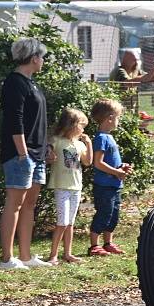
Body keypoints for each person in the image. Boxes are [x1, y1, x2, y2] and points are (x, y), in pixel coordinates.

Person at [0, 37, 54, 270]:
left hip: (37, 154)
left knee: (30, 205)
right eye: (41, 57)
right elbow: (15, 120)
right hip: (20, 154)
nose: (43, 61)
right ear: (33, 58)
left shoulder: (32, 83)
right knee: (15, 203)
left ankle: (25, 256)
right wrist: (23, 153)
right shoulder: (14, 82)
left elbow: (39, 120)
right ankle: (6, 259)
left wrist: (46, 147)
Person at [46, 108, 93, 265]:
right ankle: (53, 255)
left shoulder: (79, 144)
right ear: (72, 125)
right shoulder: (57, 141)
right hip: (61, 187)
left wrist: (89, 144)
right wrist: (49, 153)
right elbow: (48, 151)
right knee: (62, 222)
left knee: (70, 223)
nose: (83, 129)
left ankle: (68, 253)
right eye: (82, 125)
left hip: (76, 187)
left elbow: (87, 162)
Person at [88, 99, 132, 256]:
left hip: (114, 185)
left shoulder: (109, 137)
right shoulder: (101, 138)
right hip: (104, 185)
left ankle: (108, 243)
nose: (119, 121)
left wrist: (121, 168)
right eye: (118, 117)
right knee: (104, 213)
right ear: (110, 118)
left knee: (113, 215)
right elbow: (98, 163)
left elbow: (110, 161)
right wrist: (116, 172)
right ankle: (94, 245)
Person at [109, 50, 154, 120]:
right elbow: (128, 83)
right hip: (118, 108)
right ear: (125, 60)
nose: (136, 62)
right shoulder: (119, 71)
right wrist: (150, 74)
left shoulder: (136, 70)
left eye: (137, 60)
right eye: (133, 60)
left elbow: (151, 78)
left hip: (132, 109)